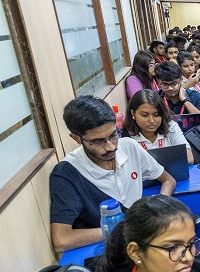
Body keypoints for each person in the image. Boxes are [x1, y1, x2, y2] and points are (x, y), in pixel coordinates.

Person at [49, 96, 176, 253]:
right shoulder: (67, 173)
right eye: (98, 141)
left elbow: (168, 180)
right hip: (106, 251)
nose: (110, 147)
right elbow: (62, 240)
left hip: (142, 240)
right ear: (76, 138)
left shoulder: (129, 146)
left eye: (113, 135)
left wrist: (161, 207)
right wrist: (125, 228)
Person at [124, 90, 194, 165]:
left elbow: (189, 158)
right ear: (132, 113)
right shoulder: (125, 136)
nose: (151, 120)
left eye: (156, 115)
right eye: (144, 115)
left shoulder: (170, 127)